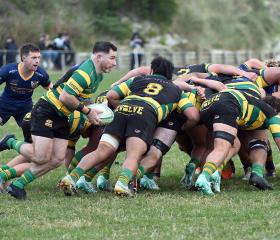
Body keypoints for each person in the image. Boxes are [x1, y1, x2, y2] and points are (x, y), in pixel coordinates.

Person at [59, 56, 200, 197]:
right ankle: (122, 184)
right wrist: (184, 128)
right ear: (170, 75)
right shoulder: (176, 90)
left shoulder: (136, 80)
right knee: (133, 155)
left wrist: (125, 108)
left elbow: (111, 95)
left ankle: (71, 178)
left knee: (101, 151)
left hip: (122, 111)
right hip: (145, 114)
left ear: (151, 70)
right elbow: (193, 116)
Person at [6, 41, 117, 200]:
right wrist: (87, 111)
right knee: (40, 157)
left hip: (62, 116)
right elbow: (66, 96)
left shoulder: (97, 75)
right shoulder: (85, 73)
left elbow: (82, 98)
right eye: (112, 58)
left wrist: (97, 109)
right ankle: (10, 141)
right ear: (99, 57)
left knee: (57, 159)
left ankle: (17, 185)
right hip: (47, 110)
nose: (114, 63)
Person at [195, 89, 280, 195]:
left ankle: (216, 172)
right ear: (277, 111)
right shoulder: (272, 114)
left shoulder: (254, 105)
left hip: (207, 105)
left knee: (235, 145)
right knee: (221, 148)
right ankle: (204, 177)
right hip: (229, 101)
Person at [0, 43, 51, 127]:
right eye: (34, 57)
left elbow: (53, 90)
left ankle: (9, 141)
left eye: (39, 57)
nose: (37, 61)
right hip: (5, 104)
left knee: (33, 132)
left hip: (25, 107)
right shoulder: (8, 70)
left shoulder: (41, 74)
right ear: (24, 58)